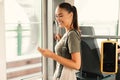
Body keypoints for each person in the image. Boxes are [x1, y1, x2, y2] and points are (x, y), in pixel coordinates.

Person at [38, 2, 81, 80]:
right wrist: (61, 40)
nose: (58, 19)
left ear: (71, 15)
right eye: (56, 16)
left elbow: (77, 64)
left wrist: (52, 55)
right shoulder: (67, 34)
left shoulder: (72, 35)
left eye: (61, 16)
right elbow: (67, 52)